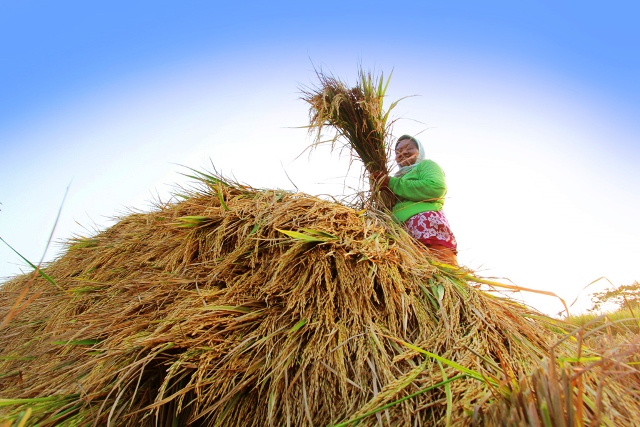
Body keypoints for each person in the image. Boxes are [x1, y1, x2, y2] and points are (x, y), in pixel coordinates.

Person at [374, 135, 458, 265]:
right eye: (398, 152)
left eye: (409, 148)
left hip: (425, 227)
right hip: (403, 235)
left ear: (419, 151)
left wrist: (393, 183)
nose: (403, 153)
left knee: (440, 269)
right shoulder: (397, 178)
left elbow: (436, 187)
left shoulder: (426, 165)